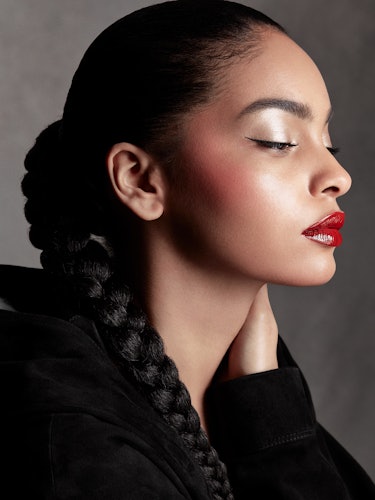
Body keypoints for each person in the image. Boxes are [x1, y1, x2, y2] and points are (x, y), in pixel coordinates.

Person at [0, 0, 374, 498]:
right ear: (139, 179)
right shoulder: (71, 444)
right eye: (279, 140)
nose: (338, 177)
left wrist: (268, 415)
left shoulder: (252, 388)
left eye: (329, 144)